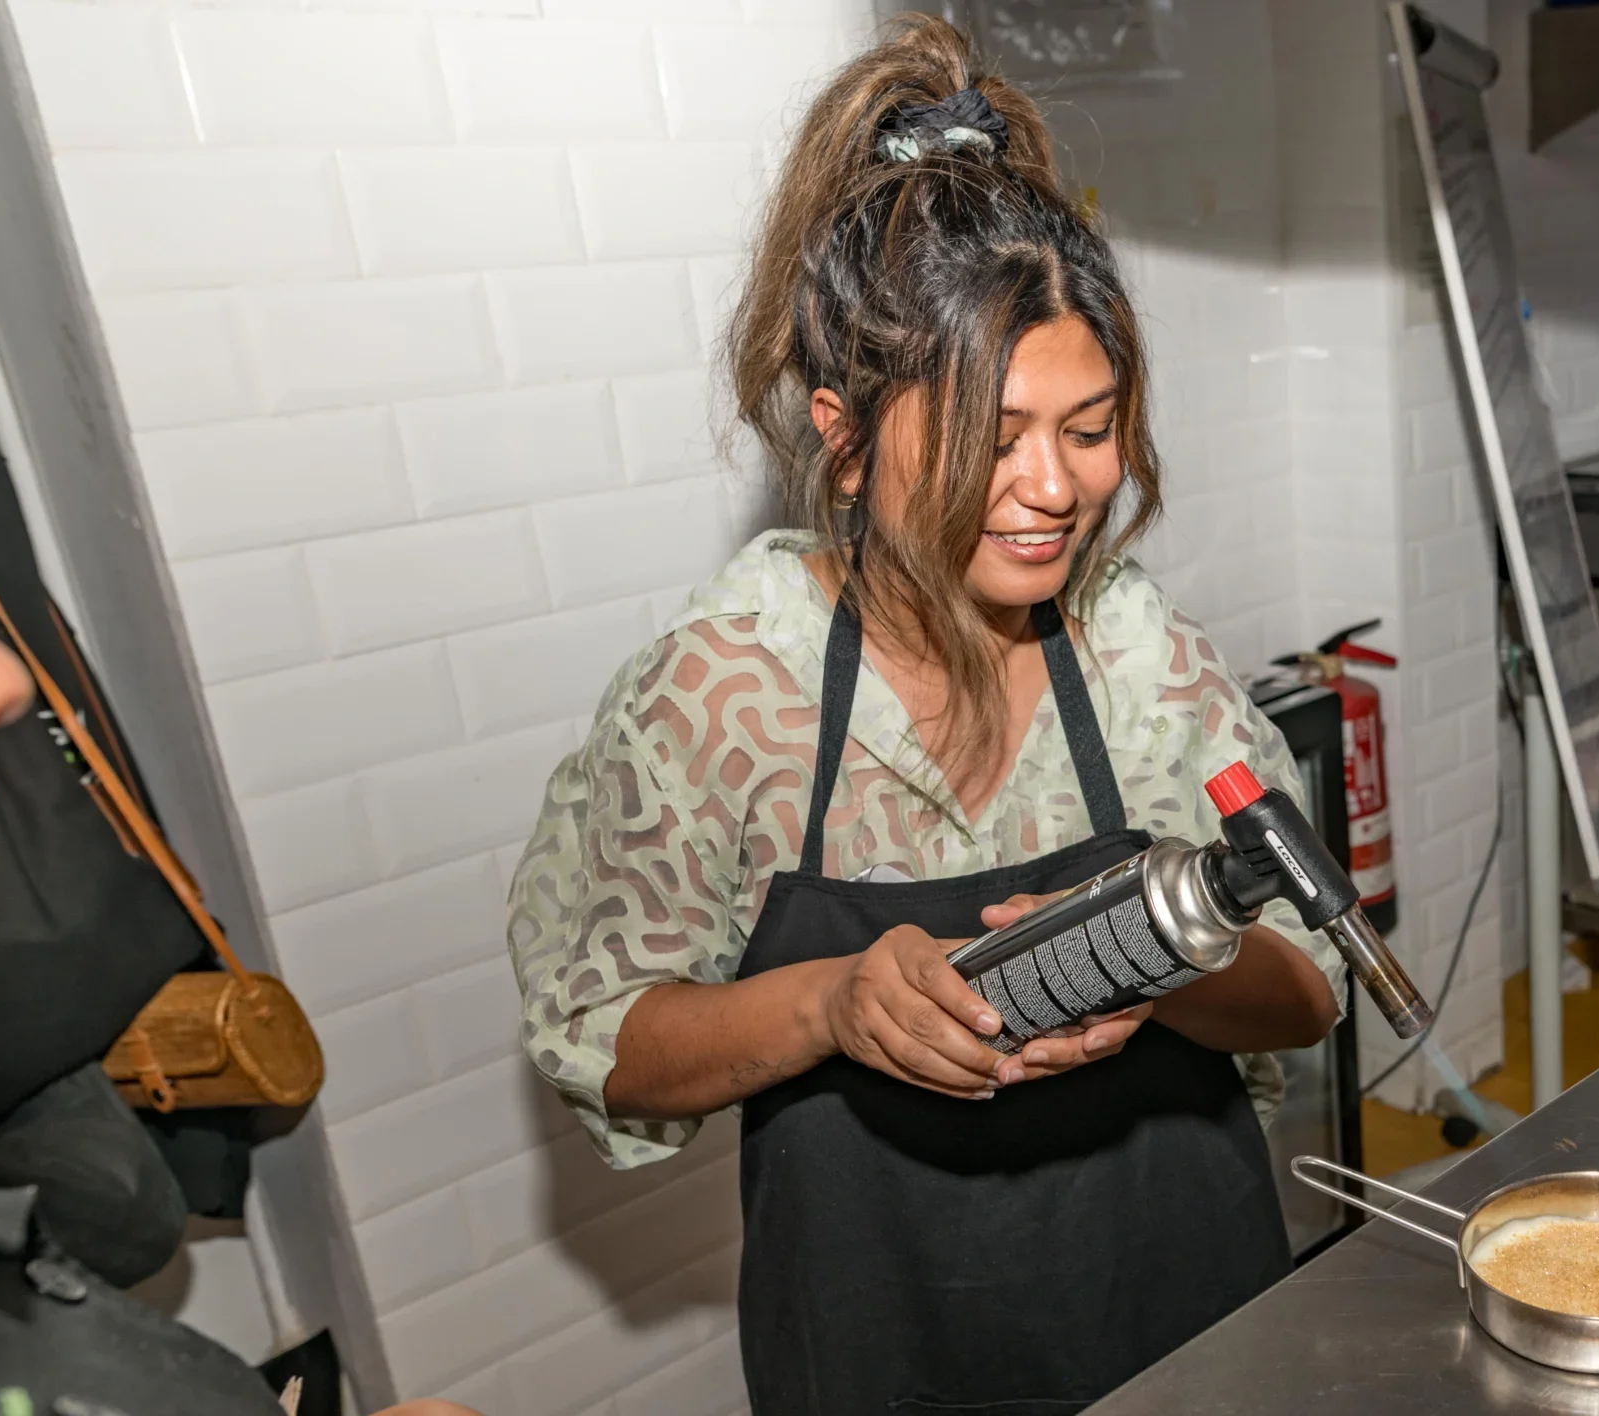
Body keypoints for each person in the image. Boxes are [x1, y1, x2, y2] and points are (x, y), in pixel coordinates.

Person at [505, 17, 1343, 1416]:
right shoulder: (724, 699)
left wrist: (1157, 951)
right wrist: (831, 1003)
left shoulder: (1134, 655)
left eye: (1088, 429)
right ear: (841, 435)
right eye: (990, 436)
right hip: (887, 1352)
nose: (1055, 488)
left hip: (1189, 1313)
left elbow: (1308, 990)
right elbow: (608, 1043)